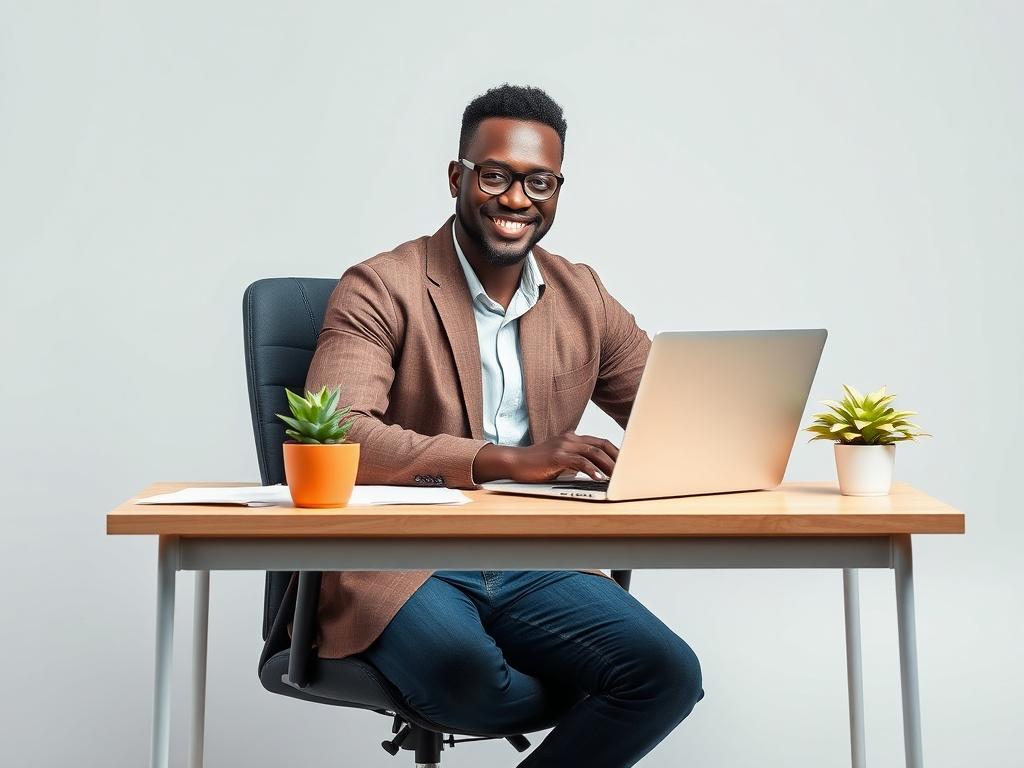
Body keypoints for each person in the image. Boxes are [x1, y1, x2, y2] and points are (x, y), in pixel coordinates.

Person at [304, 84, 703, 767]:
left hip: (538, 558)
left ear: (558, 189)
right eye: (496, 176)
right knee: (466, 676)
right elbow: (340, 436)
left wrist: (728, 433)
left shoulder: (584, 296)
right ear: (458, 178)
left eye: (539, 182)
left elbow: (672, 417)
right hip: (405, 559)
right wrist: (504, 460)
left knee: (665, 675)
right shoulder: (380, 286)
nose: (518, 200)